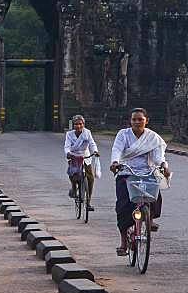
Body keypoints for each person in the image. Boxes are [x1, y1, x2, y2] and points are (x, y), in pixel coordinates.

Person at [109, 108, 170, 256]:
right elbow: (117, 150)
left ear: (146, 121)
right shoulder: (123, 134)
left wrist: (163, 165)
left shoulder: (153, 137)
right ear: (130, 121)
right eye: (134, 119)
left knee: (155, 196)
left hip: (147, 172)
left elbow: (158, 156)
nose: (137, 122)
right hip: (126, 171)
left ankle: (150, 218)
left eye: (140, 119)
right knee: (123, 207)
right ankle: (123, 242)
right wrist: (115, 162)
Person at [64, 114, 99, 211]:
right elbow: (67, 146)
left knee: (90, 178)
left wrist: (95, 151)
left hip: (85, 156)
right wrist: (68, 153)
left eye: (80, 124)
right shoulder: (69, 134)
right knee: (72, 174)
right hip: (73, 155)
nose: (78, 126)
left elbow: (92, 143)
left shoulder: (87, 133)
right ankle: (74, 188)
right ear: (73, 125)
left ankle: (88, 202)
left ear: (83, 124)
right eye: (76, 124)